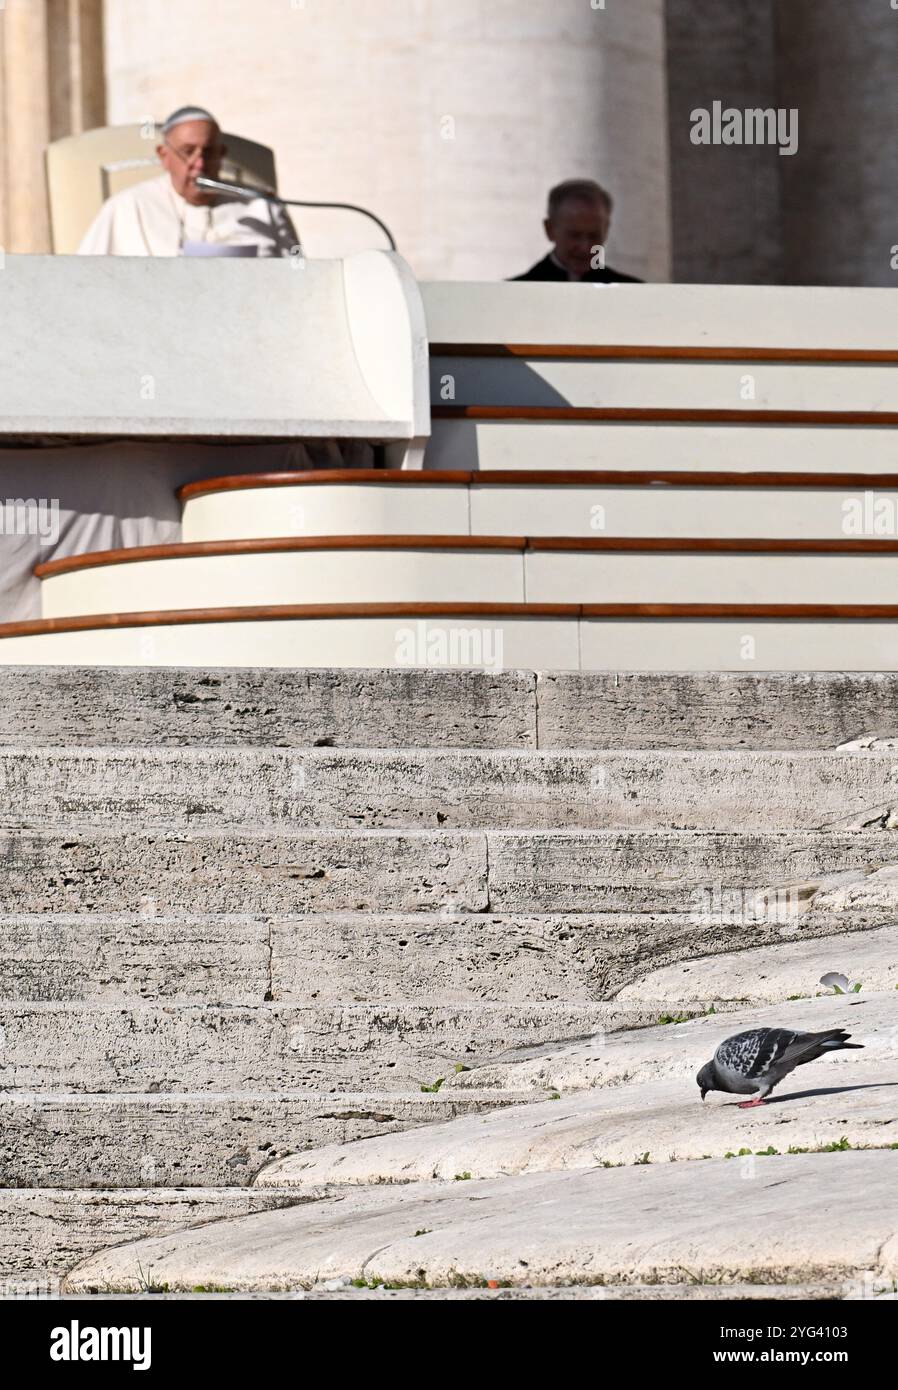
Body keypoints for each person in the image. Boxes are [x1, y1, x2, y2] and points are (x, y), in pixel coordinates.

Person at [78, 105, 299, 257]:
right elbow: (82, 277)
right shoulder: (126, 208)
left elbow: (299, 265)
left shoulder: (261, 204)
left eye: (209, 152)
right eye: (188, 151)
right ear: (164, 156)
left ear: (221, 154)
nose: (199, 163)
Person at [512, 179, 642, 283]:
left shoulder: (631, 292)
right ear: (550, 229)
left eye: (593, 236)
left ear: (606, 230)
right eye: (574, 235)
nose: (584, 247)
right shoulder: (515, 293)